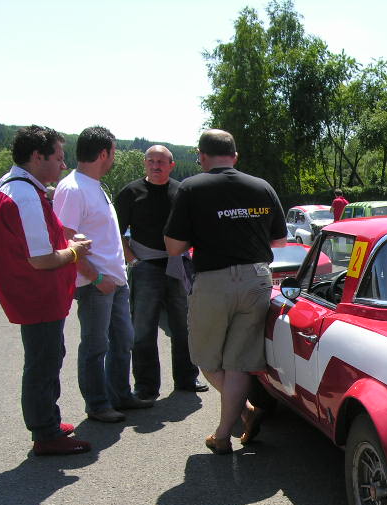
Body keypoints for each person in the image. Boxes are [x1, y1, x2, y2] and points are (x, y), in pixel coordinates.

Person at [164, 129, 287, 455]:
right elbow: (280, 242)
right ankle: (238, 419)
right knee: (238, 362)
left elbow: (174, 246)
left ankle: (228, 429)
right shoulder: (262, 187)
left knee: (205, 357)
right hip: (258, 279)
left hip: (214, 281)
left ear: (202, 156)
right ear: (235, 156)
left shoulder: (191, 188)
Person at [0, 125, 98, 455]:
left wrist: (66, 245)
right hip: (36, 295)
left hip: (31, 294)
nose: (63, 166)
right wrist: (75, 251)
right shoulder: (24, 195)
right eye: (59, 158)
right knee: (43, 362)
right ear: (38, 157)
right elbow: (42, 259)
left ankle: (46, 420)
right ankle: (45, 433)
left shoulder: (13, 187)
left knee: (46, 358)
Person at [54, 126, 152, 424]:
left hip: (114, 281)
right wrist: (97, 279)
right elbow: (66, 243)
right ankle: (97, 405)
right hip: (96, 284)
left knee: (123, 340)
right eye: (113, 152)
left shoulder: (94, 184)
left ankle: (120, 395)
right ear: (103, 153)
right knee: (96, 346)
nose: (113, 159)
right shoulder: (72, 189)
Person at [115, 145, 207, 400]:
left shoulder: (182, 191)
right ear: (145, 164)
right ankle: (146, 386)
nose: (156, 166)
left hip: (177, 265)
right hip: (145, 267)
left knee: (183, 326)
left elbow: (194, 228)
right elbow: (117, 233)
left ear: (171, 165)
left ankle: (187, 378)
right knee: (143, 329)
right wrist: (133, 261)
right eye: (151, 161)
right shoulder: (131, 192)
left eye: (161, 162)